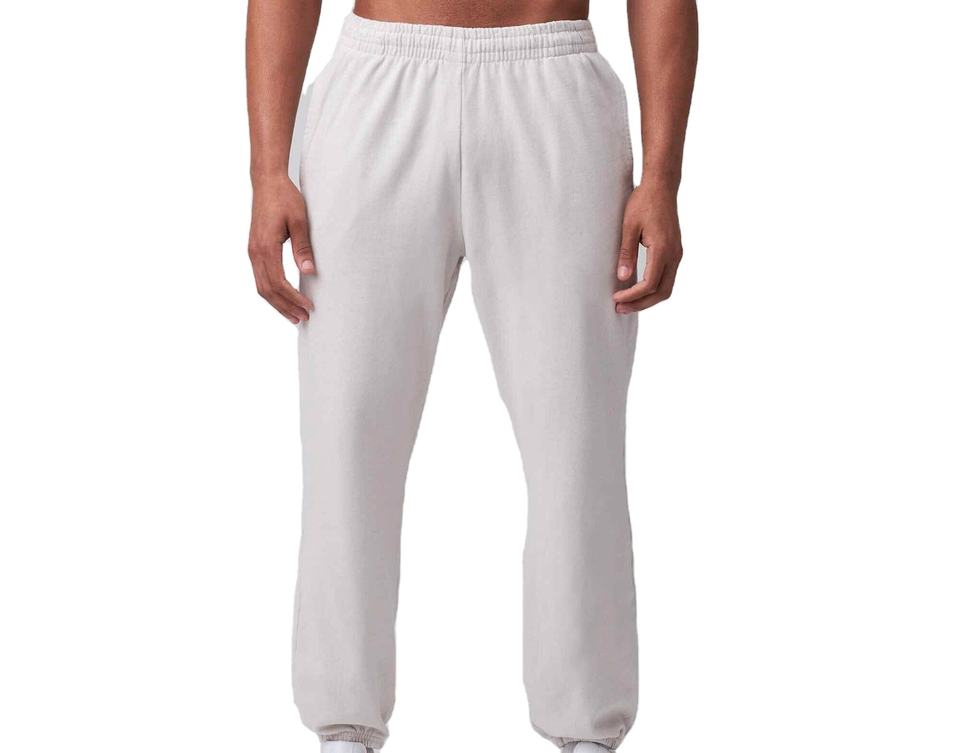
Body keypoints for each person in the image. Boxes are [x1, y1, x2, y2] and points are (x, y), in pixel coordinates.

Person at [245, 1, 697, 750]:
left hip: (552, 79)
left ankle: (587, 730)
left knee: (576, 437)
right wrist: (267, 173)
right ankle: (342, 727)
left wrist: (664, 176)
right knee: (346, 431)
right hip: (379, 78)